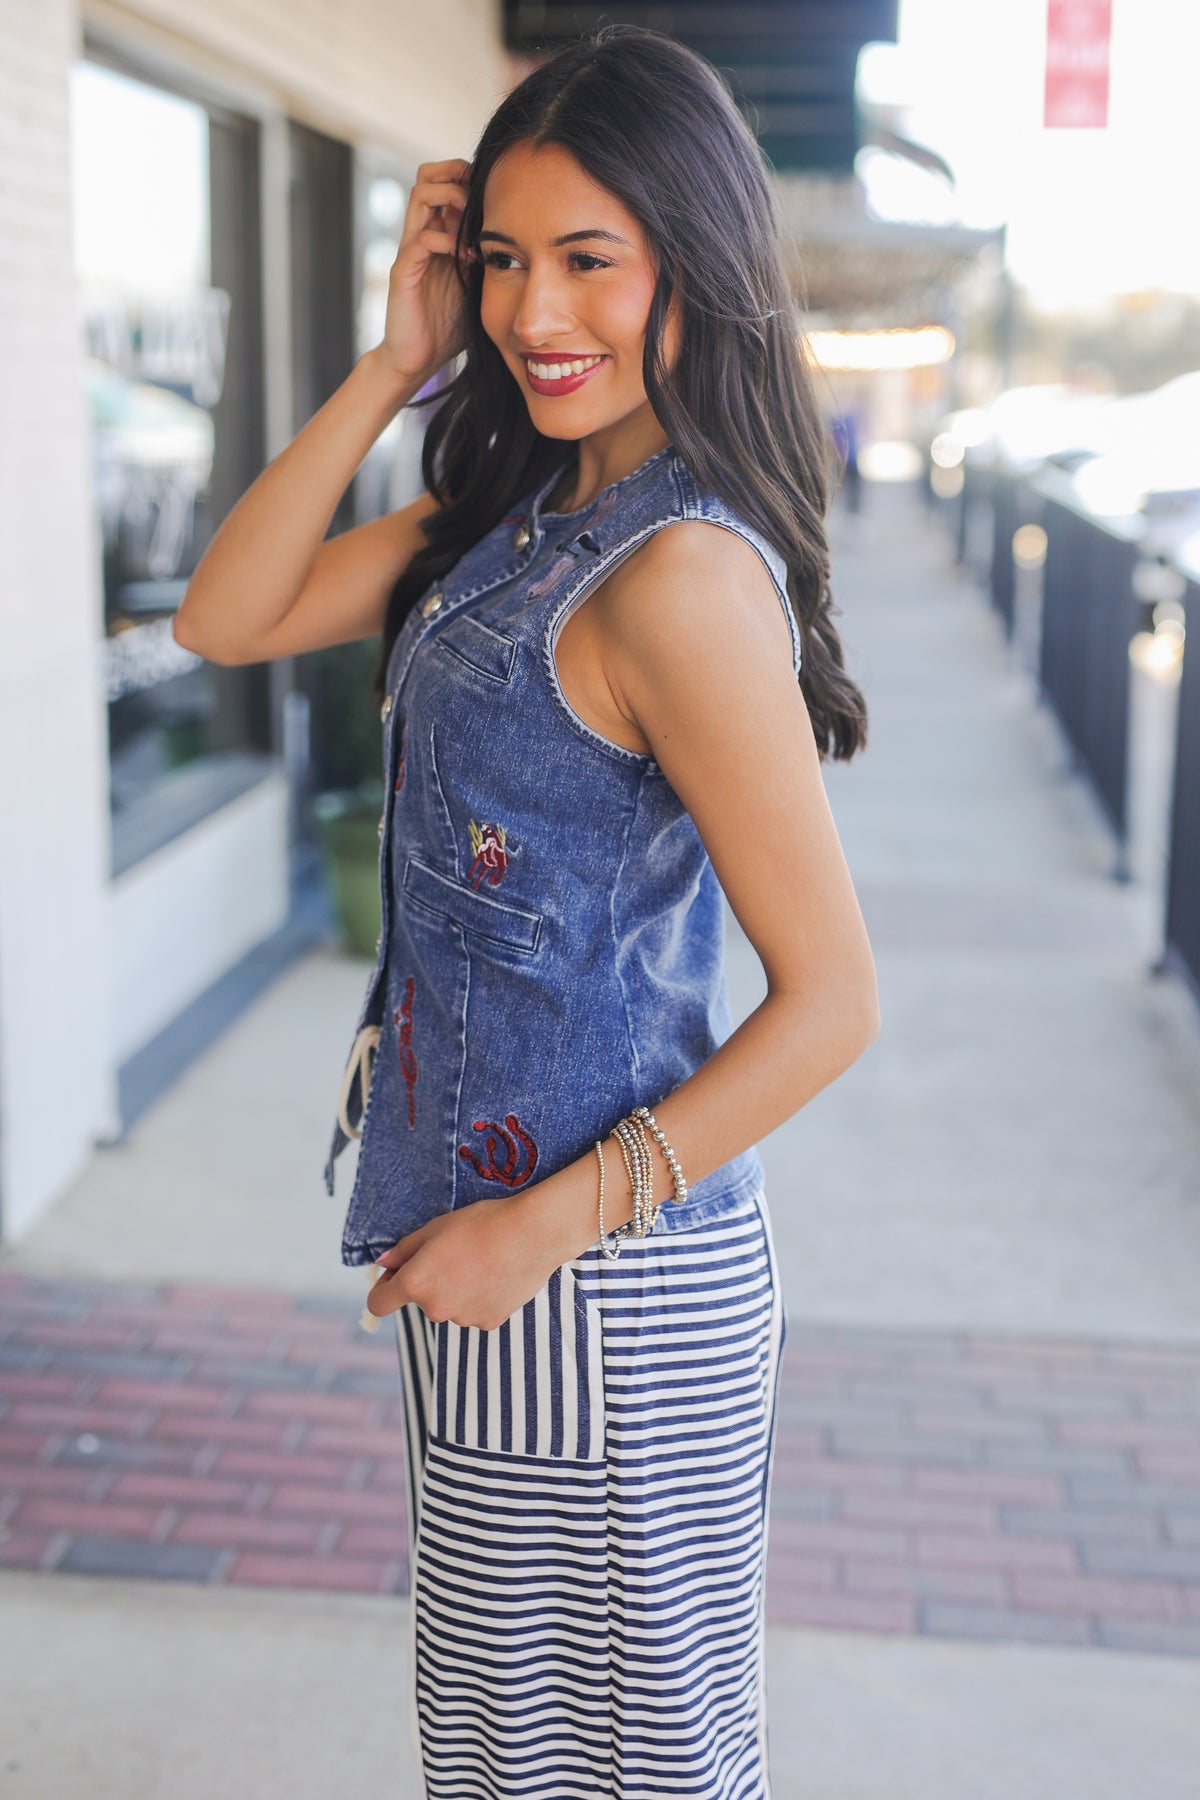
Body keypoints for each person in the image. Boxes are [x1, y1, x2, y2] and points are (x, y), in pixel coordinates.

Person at [174, 23, 878, 1798]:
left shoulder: (684, 579)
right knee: (505, 1758)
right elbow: (227, 616)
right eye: (503, 259)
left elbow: (834, 1001)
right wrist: (395, 360)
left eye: (589, 261)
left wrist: (537, 1237)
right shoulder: (515, 516)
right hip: (504, 1276)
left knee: (633, 1769)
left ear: (691, 274)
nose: (533, 313)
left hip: (608, 1285)